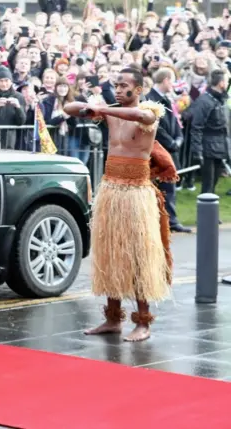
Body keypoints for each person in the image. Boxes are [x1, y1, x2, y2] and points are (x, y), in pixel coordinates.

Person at [63, 67, 177, 342]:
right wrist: (92, 106)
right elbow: (69, 107)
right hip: (111, 191)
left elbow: (140, 115)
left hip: (137, 195)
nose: (118, 88)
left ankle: (143, 322)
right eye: (116, 84)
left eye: (124, 85)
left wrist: (104, 109)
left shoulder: (151, 112)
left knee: (138, 257)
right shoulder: (111, 112)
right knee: (111, 255)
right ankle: (112, 319)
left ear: (138, 90)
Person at [146, 68, 191, 233]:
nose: (173, 84)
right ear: (165, 80)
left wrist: (178, 139)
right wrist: (171, 142)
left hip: (169, 149)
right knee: (156, 185)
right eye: (172, 80)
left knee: (169, 185)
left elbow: (175, 122)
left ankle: (170, 219)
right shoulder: (149, 99)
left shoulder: (167, 99)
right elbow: (155, 127)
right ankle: (158, 220)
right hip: (156, 149)